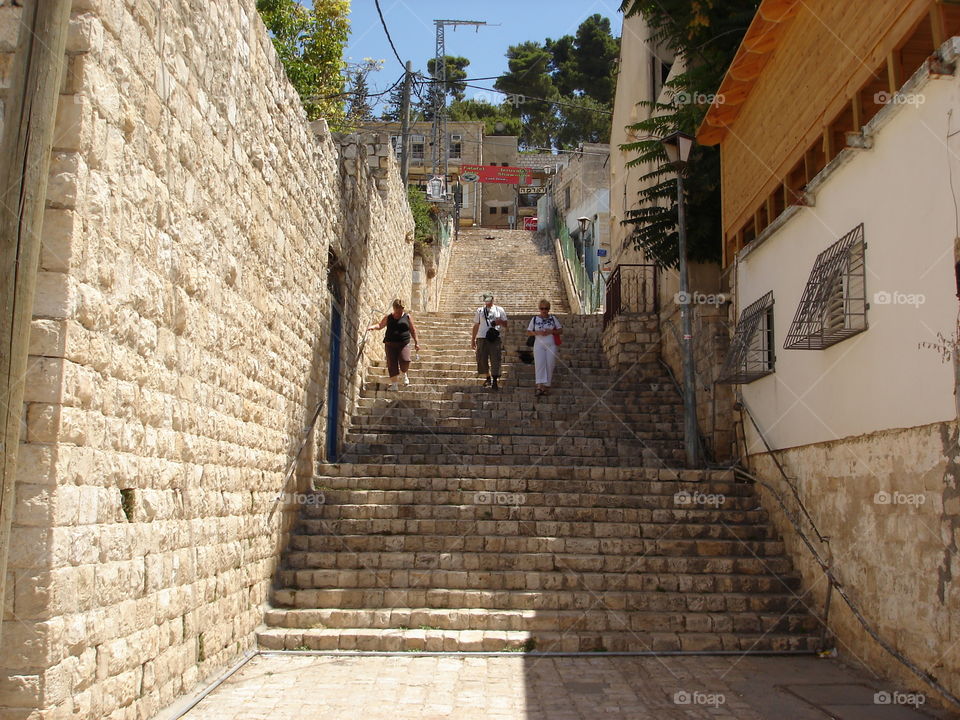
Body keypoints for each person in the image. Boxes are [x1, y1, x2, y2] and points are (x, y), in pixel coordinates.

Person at [368, 299, 419, 391]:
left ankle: (404, 374)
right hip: (390, 344)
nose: (399, 313)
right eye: (398, 310)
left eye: (401, 310)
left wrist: (416, 342)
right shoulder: (389, 317)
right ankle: (394, 385)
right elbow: (380, 325)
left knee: (405, 360)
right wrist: (373, 327)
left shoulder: (407, 317)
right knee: (392, 364)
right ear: (394, 308)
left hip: (403, 344)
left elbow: (413, 330)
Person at [471, 292, 508, 390]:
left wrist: (499, 322)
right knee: (482, 359)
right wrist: (473, 339)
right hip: (481, 337)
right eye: (486, 299)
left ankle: (495, 380)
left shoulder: (499, 310)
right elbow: (476, 325)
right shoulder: (479, 310)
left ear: (493, 299)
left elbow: (506, 324)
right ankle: (487, 377)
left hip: (494, 337)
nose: (488, 301)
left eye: (490, 299)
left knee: (495, 359)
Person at [526, 299, 562, 396]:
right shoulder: (534, 319)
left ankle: (547, 386)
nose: (544, 310)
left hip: (551, 344)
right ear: (539, 309)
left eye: (546, 308)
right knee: (539, 364)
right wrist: (538, 333)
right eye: (542, 308)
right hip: (539, 344)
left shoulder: (553, 318)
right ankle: (539, 386)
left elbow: (560, 330)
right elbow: (529, 331)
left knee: (550, 364)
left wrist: (551, 332)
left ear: (549, 309)